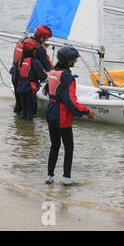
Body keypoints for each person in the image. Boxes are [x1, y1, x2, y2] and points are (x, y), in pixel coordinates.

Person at [44, 47, 95, 186]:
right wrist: (86, 111)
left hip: (51, 112)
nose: (76, 62)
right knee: (69, 147)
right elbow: (70, 101)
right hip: (61, 116)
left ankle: (49, 177)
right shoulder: (67, 76)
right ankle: (66, 180)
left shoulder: (53, 72)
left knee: (54, 145)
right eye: (74, 59)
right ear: (68, 61)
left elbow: (50, 92)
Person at [16, 39, 47, 120]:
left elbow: (17, 75)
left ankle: (22, 129)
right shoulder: (34, 62)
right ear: (34, 51)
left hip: (21, 89)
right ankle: (29, 130)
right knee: (30, 114)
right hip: (30, 90)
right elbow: (43, 76)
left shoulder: (19, 61)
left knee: (24, 113)